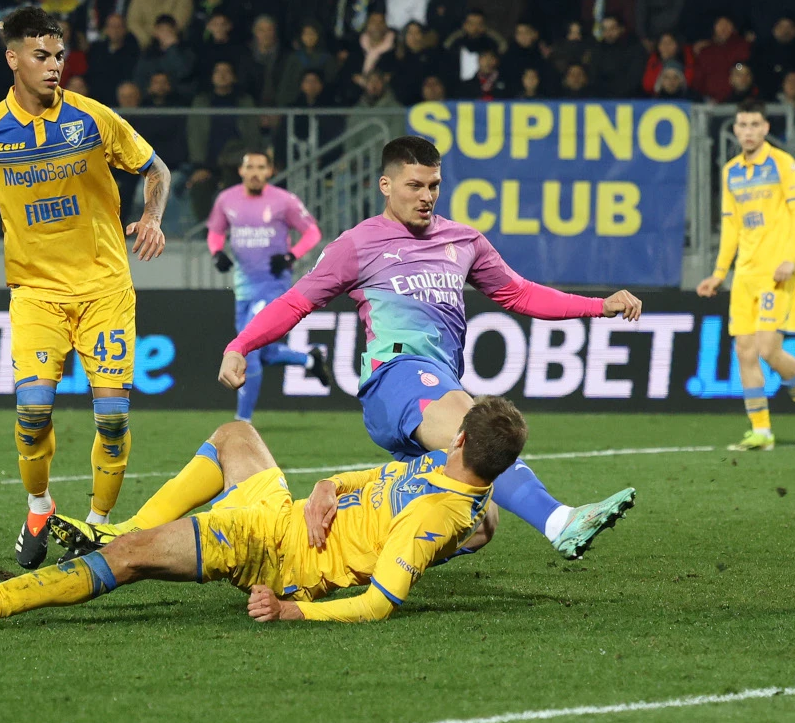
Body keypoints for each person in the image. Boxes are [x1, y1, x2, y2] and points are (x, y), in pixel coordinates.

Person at [217, 136, 640, 561]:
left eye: (434, 185)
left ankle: (337, 557)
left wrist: (598, 306)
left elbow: (520, 294)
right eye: (414, 186)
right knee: (478, 431)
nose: (427, 197)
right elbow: (296, 301)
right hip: (396, 378)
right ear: (386, 185)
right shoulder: (357, 245)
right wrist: (240, 345)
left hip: (438, 383)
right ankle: (559, 520)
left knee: (477, 522)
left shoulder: (464, 241)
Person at [0, 7, 171, 569]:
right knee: (31, 411)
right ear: (13, 59)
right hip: (35, 294)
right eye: (41, 56)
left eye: (59, 56)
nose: (54, 67)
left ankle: (97, 527)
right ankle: (39, 505)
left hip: (104, 289)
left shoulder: (93, 119)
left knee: (114, 418)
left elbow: (156, 169)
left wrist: (151, 217)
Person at [0, 396, 526, 627]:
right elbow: (375, 478)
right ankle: (116, 526)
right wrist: (327, 486)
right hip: (289, 511)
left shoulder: (435, 518)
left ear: (462, 442)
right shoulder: (451, 476)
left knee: (128, 559)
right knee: (235, 434)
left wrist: (293, 613)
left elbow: (378, 603)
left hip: (276, 549)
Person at [696, 99, 795, 451]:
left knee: (769, 348)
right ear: (735, 129)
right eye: (742, 125)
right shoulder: (731, 172)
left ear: (766, 128)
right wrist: (719, 272)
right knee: (744, 350)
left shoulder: (783, 164)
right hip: (746, 273)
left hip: (777, 272)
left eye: (755, 124)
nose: (748, 131)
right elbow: (730, 227)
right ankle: (761, 431)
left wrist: (789, 258)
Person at [207, 150, 330, 422]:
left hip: (274, 287)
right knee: (264, 352)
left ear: (269, 171)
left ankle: (243, 421)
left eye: (261, 167)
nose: (255, 172)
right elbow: (215, 232)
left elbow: (312, 232)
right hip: (243, 288)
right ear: (241, 171)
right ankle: (309, 360)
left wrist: (291, 256)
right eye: (250, 166)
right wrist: (217, 252)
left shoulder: (284, 201)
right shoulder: (226, 200)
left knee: (247, 349)